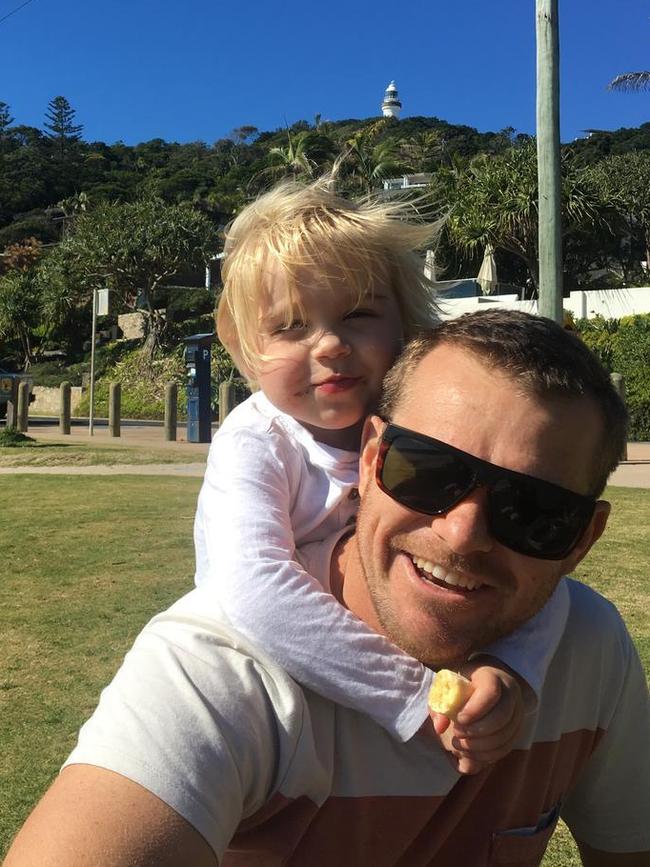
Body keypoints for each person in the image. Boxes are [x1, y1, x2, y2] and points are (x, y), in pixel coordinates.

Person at [6, 309, 649, 867]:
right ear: (369, 459)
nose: (463, 535)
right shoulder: (221, 673)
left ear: (583, 539)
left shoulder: (588, 650)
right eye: (429, 471)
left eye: (534, 511)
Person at [192, 179, 566, 767]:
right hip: (276, 702)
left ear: (406, 324)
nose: (331, 345)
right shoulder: (256, 440)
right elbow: (253, 587)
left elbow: (537, 569)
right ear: (245, 349)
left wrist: (510, 669)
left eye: (359, 314)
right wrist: (416, 698)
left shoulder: (425, 435)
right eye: (290, 327)